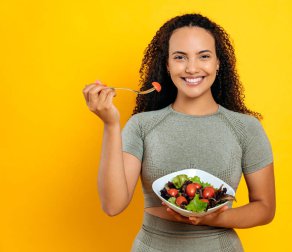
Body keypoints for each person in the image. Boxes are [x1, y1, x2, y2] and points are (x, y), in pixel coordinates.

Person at [83, 13, 275, 251]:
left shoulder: (245, 128)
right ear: (167, 64)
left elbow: (265, 208)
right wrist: (111, 125)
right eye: (180, 57)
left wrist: (213, 218)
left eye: (204, 56)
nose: (192, 68)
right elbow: (113, 205)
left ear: (217, 62)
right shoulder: (142, 125)